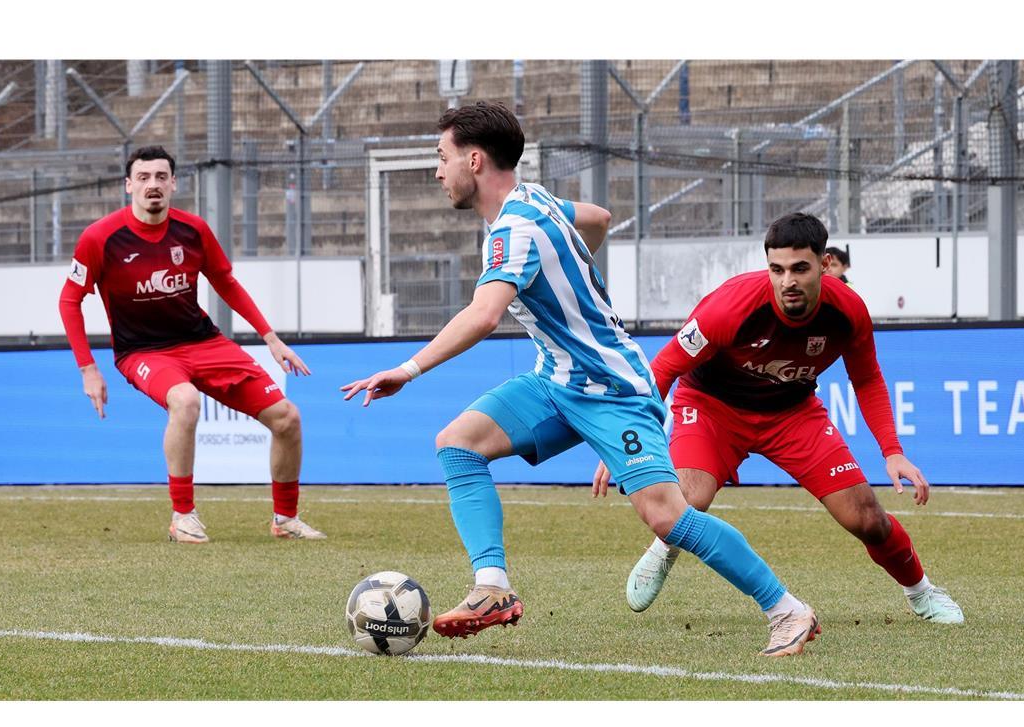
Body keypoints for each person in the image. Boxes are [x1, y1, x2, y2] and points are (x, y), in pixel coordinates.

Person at [342, 101, 820, 657]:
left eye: (441, 157)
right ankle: (492, 589)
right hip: (557, 381)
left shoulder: (513, 230)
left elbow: (484, 315)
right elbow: (596, 217)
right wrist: (571, 271)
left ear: (474, 160)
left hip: (613, 389)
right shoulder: (533, 199)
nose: (436, 170)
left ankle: (788, 611)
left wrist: (407, 369)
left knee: (667, 517)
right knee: (458, 445)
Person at [592, 213, 963, 624]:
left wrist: (892, 452)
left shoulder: (848, 312)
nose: (787, 281)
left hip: (791, 413)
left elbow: (868, 379)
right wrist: (622, 443)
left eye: (800, 268)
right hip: (712, 407)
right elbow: (662, 369)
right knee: (688, 499)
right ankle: (667, 545)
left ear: (824, 266)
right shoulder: (730, 306)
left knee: (867, 518)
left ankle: (921, 591)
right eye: (777, 269)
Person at [58, 145, 325, 544]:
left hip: (204, 343)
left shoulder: (193, 230)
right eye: (144, 177)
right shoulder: (100, 238)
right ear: (128, 185)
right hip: (143, 352)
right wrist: (88, 369)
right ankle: (183, 516)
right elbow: (69, 300)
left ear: (174, 184)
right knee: (185, 401)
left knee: (287, 418)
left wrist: (271, 338)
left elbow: (226, 283)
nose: (153, 185)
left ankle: (285, 520)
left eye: (161, 177)